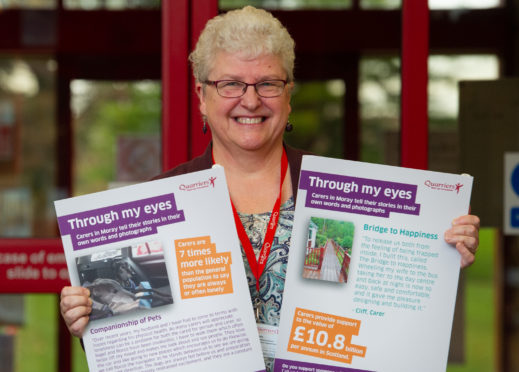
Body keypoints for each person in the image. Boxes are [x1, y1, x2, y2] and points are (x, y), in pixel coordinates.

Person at [60, 6, 480, 371]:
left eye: (267, 83)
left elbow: (386, 309)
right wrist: (89, 321)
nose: (251, 100)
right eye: (231, 84)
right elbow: (137, 339)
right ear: (202, 96)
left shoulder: (347, 197)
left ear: (288, 94)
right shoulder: (161, 198)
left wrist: (436, 256)